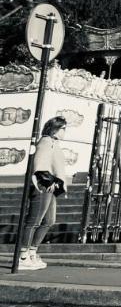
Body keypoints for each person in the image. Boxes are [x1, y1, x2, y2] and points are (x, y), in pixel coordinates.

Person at [19, 116, 71, 271]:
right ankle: (23, 256)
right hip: (42, 186)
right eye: (63, 128)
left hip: (51, 187)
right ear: (55, 128)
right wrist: (49, 182)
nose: (65, 132)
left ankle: (33, 252)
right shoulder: (46, 142)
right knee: (34, 221)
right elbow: (40, 165)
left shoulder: (54, 143)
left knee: (49, 220)